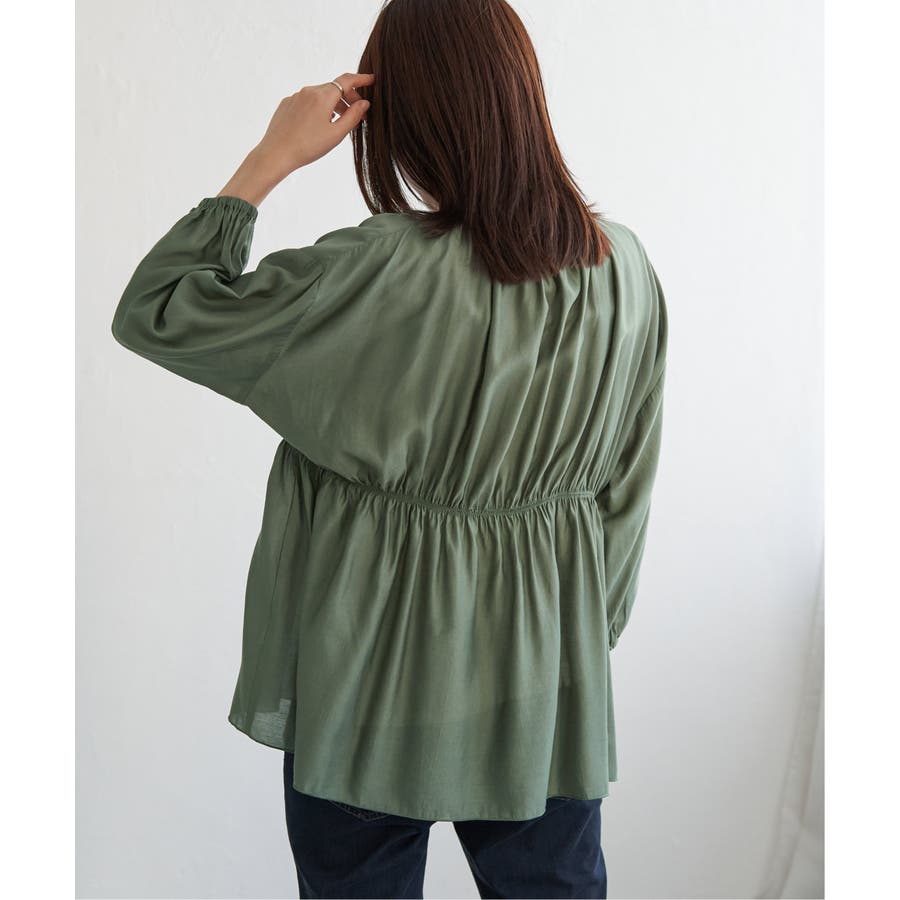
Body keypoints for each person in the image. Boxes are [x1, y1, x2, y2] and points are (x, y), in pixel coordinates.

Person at [110, 0, 667, 896]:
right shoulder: (622, 269)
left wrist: (268, 159)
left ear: (402, 117)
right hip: (539, 684)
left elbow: (160, 309)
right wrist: (565, 646)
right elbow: (625, 497)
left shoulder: (373, 270)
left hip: (362, 682)